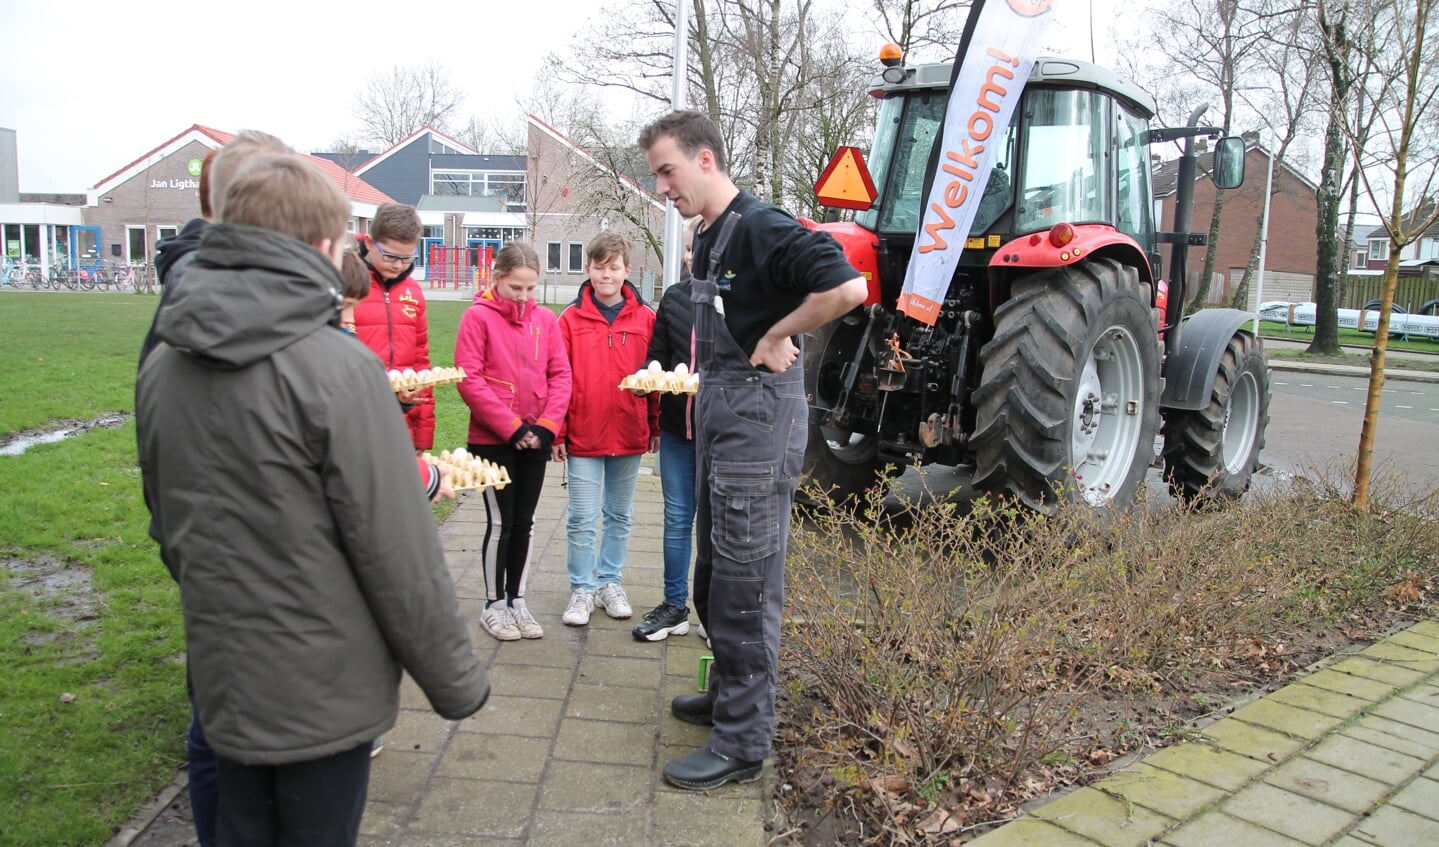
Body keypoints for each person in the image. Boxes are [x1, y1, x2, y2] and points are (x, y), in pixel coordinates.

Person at [137, 152, 489, 846]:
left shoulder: (163, 361)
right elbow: (398, 551)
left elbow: (167, 518)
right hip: (323, 683)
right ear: (324, 246)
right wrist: (456, 681)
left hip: (225, 670)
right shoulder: (338, 368)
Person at [639, 110, 868, 790]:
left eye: (667, 171)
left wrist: (778, 333)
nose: (662, 188)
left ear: (704, 159)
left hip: (757, 421)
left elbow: (847, 287)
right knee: (714, 570)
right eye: (657, 175)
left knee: (745, 579)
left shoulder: (763, 226)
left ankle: (743, 739)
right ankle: (727, 697)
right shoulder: (708, 237)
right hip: (719, 415)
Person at [136, 131, 290, 847]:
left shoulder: (233, 276)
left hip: (238, 538)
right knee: (219, 719)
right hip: (223, 539)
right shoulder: (201, 284)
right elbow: (169, 432)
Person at [454, 242, 572, 641]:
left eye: (530, 289)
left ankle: (517, 600)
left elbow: (561, 376)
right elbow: (469, 379)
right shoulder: (477, 318)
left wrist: (546, 425)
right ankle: (494, 605)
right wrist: (511, 428)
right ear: (497, 279)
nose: (523, 297)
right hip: (493, 441)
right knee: (501, 521)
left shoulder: (546, 320)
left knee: (526, 521)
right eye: (515, 288)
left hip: (536, 437)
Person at [555, 232, 659, 627]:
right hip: (583, 434)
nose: (606, 275)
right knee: (581, 517)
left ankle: (610, 582)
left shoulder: (646, 318)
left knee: (620, 514)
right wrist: (559, 433)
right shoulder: (569, 319)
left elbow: (654, 377)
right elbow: (560, 379)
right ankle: (581, 589)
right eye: (599, 268)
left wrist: (654, 426)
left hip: (630, 433)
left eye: (614, 268)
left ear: (627, 270)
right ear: (589, 269)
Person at [632, 218, 700, 642]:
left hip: (724, 434)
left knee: (717, 524)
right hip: (678, 431)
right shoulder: (674, 298)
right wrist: (645, 379)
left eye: (700, 247)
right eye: (688, 249)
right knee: (677, 518)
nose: (692, 256)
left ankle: (717, 614)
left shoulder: (744, 300)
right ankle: (675, 606)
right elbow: (656, 357)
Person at [353, 203, 434, 452]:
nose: (398, 265)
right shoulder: (347, 283)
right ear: (369, 242)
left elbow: (421, 362)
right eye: (390, 256)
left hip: (401, 424)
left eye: (407, 258)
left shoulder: (413, 291)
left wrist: (422, 435)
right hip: (354, 421)